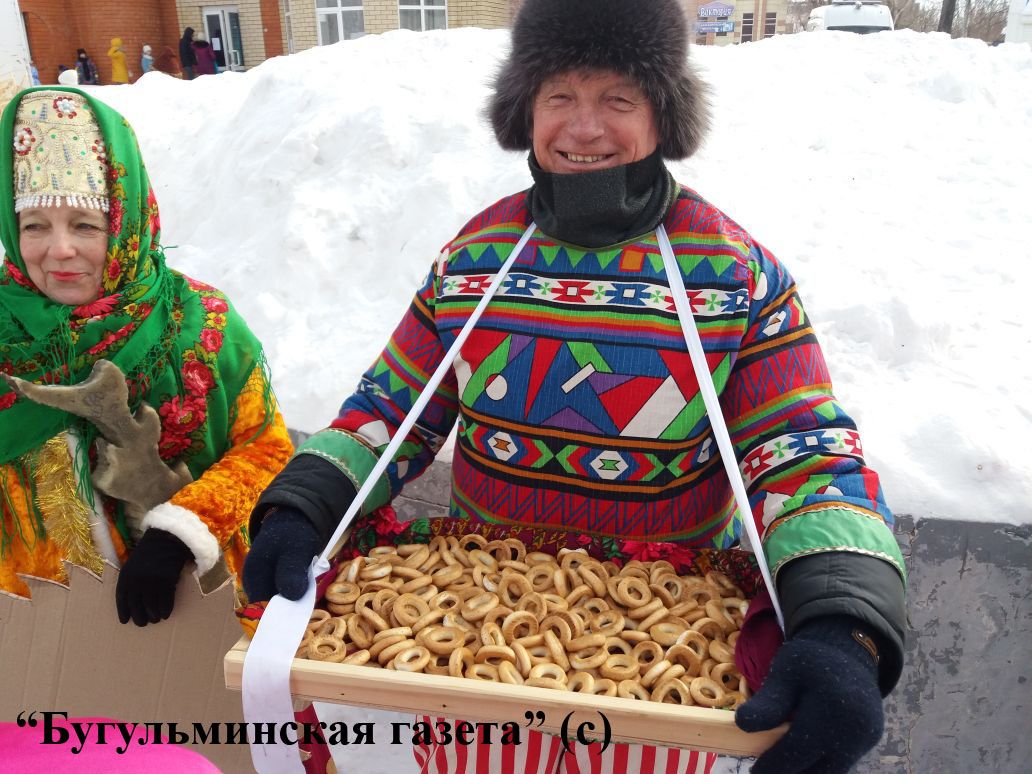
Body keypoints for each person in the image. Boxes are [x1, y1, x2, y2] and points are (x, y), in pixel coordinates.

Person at [243, 1, 906, 773]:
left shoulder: (731, 275)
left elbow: (802, 453)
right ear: (526, 109)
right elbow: (391, 411)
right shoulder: (477, 259)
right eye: (559, 96)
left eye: (617, 99)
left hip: (662, 658)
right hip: (474, 642)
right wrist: (305, 504)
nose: (583, 128)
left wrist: (842, 620)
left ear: (663, 115)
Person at [0, 87, 294, 627]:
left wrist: (181, 531)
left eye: (85, 224)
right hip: (34, 636)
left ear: (127, 221)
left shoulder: (201, 322)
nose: (59, 249)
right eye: (34, 224)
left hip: (192, 618)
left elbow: (265, 449)